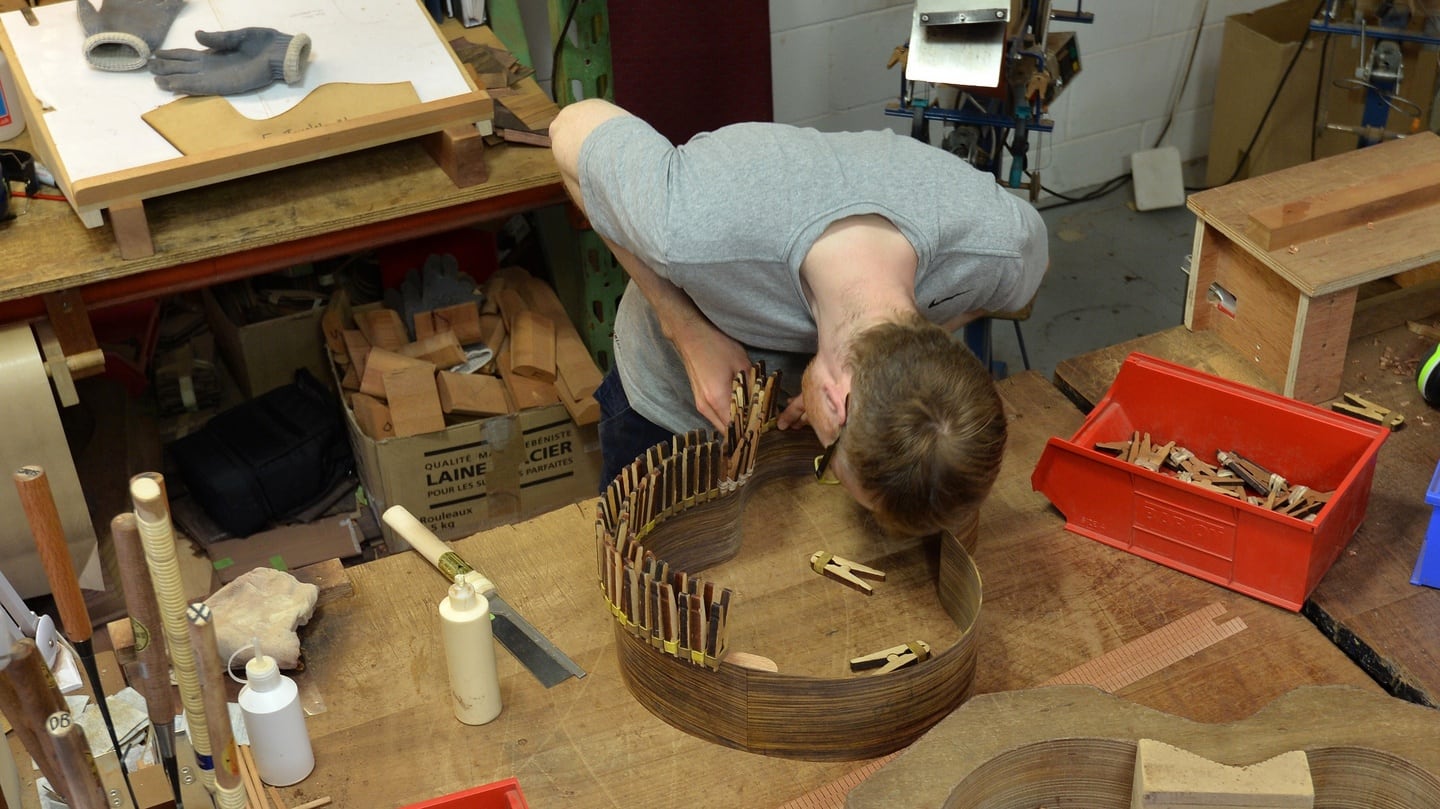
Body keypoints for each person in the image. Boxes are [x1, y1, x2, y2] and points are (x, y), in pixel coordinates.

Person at [549, 98, 1048, 537]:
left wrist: (931, 332)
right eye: (832, 464)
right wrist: (685, 328)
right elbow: (571, 128)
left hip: (794, 418)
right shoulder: (691, 226)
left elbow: (1023, 277)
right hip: (668, 414)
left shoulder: (996, 249)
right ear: (834, 403)